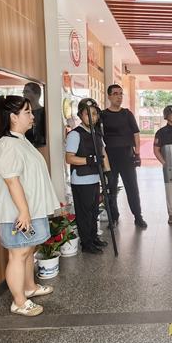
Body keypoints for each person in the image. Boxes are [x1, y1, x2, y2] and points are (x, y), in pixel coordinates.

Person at [0, 95, 60, 316]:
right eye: (27, 112)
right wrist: (24, 212)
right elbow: (11, 181)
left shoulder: (21, 140)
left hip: (28, 210)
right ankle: (19, 302)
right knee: (18, 254)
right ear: (13, 117)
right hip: (17, 213)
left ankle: (29, 287)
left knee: (28, 249)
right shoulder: (8, 145)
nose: (32, 116)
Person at [65, 98, 112, 255]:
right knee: (84, 214)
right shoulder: (75, 134)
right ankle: (86, 243)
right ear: (80, 115)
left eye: (94, 114)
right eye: (88, 114)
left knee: (93, 211)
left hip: (94, 178)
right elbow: (69, 158)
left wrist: (108, 172)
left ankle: (93, 237)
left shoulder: (97, 133)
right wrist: (89, 160)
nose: (92, 117)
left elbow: (103, 152)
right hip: (81, 180)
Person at [101, 84, 146, 228]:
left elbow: (136, 134)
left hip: (127, 156)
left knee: (132, 187)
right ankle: (113, 217)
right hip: (110, 158)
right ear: (109, 96)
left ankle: (138, 216)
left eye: (121, 94)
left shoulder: (127, 114)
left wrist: (137, 154)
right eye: (115, 94)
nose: (119, 97)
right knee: (111, 189)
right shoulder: (102, 115)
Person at [22, 82, 46, 146]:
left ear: (37, 95)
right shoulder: (22, 112)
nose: (24, 94)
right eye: (23, 92)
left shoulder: (44, 112)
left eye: (27, 91)